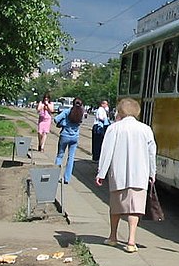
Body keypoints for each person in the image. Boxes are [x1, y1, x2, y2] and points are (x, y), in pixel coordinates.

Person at [95, 97, 157, 254]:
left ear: (120, 111)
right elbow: (152, 154)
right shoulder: (146, 129)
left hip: (119, 175)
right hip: (140, 175)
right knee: (134, 209)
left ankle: (113, 236)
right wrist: (152, 173)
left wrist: (101, 172)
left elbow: (106, 151)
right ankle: (131, 241)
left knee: (116, 207)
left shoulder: (114, 128)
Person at [54, 97, 85, 184]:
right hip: (74, 137)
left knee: (60, 155)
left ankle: (56, 176)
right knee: (71, 158)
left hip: (64, 136)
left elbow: (56, 119)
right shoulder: (81, 113)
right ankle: (67, 178)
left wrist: (64, 123)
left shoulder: (68, 111)